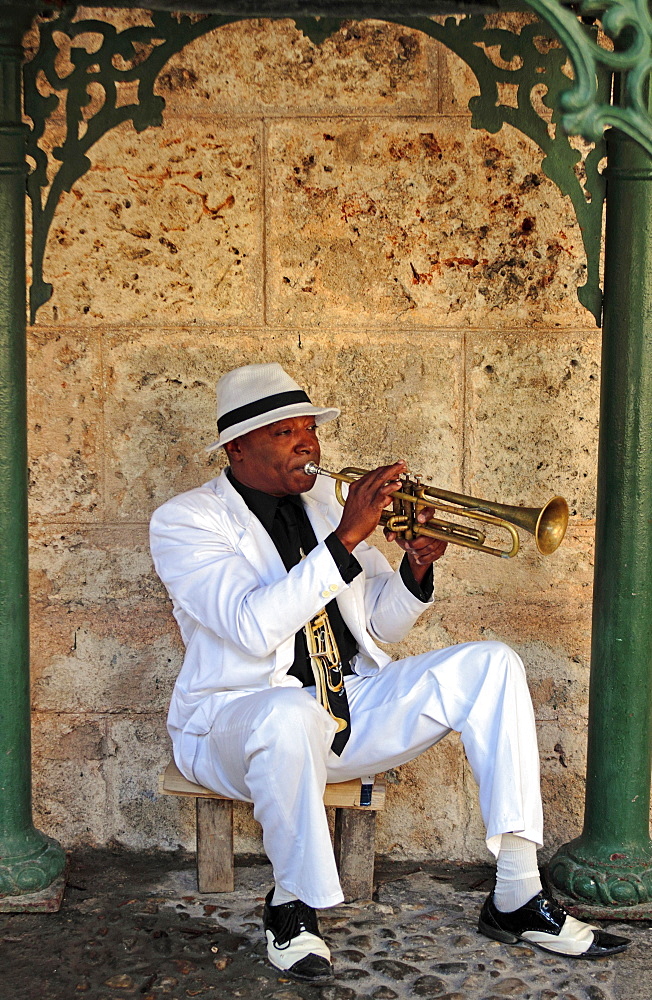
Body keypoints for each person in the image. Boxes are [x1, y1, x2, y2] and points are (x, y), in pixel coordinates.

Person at [150, 362, 628, 985]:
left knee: (493, 665)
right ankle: (292, 904)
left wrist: (415, 569)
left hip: (343, 707)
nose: (307, 444)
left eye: (310, 430)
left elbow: (379, 623)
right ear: (237, 446)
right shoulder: (186, 521)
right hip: (234, 726)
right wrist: (347, 539)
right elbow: (249, 626)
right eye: (285, 432)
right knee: (288, 713)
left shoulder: (324, 503)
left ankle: (516, 892)